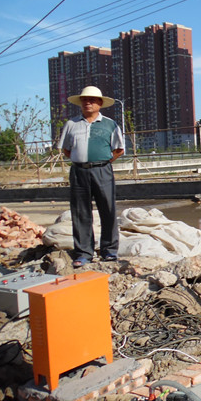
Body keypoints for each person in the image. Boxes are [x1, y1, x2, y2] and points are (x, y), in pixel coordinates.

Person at [58, 86, 125, 267]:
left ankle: (109, 251)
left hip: (102, 170)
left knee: (108, 210)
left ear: (100, 103)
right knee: (80, 212)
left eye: (92, 100)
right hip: (79, 172)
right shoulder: (71, 124)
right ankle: (83, 253)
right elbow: (66, 149)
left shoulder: (110, 124)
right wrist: (81, 160)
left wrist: (103, 161)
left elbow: (119, 149)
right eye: (84, 100)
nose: (88, 103)